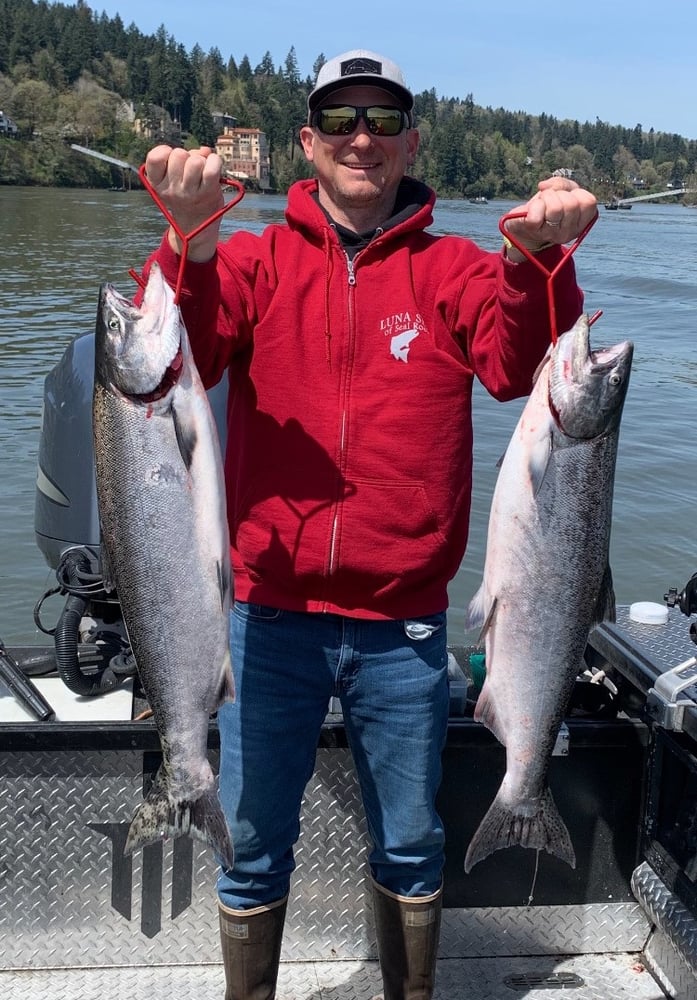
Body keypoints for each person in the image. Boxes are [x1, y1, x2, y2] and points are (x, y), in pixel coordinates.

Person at [141, 49, 596, 1000]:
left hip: (405, 628)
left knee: (411, 841)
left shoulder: (454, 269)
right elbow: (186, 344)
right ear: (307, 142)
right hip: (266, 617)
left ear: (410, 143)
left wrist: (542, 254)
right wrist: (183, 238)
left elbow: (521, 363)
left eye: (383, 121)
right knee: (254, 842)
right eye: (341, 121)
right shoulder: (257, 259)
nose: (362, 138)